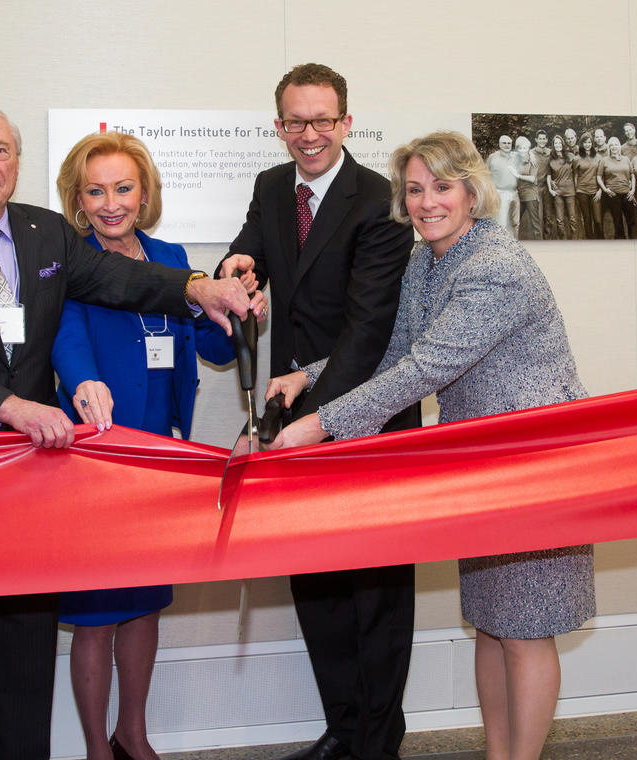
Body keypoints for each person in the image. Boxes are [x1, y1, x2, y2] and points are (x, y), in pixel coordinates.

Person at [0, 102, 257, 760]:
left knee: (25, 652)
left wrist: (199, 288)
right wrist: (12, 406)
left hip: (29, 475)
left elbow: (119, 277)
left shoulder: (46, 235)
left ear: (18, 164)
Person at [267, 130, 595, 760]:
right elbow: (394, 350)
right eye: (414, 190)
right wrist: (305, 376)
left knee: (526, 629)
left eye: (441, 187)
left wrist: (320, 424)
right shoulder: (429, 258)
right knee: (492, 625)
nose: (426, 202)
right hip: (480, 465)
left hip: (535, 466)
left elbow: (423, 370)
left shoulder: (493, 268)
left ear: (472, 191)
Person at [217, 62, 419, 760]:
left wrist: (318, 420)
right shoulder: (272, 186)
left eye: (322, 120)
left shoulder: (380, 200)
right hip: (292, 417)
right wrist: (237, 271)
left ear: (346, 122)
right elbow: (251, 252)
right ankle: (342, 730)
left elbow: (367, 333)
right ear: (279, 127)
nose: (309, 134)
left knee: (376, 593)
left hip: (366, 418)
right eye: (295, 122)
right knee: (318, 585)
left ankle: (378, 743)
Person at [51, 131, 236, 760]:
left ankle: (132, 733)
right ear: (78, 199)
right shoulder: (67, 261)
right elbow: (65, 341)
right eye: (96, 190)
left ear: (144, 192)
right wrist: (81, 382)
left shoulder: (171, 257)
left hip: (159, 458)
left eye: (123, 188)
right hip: (93, 459)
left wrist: (237, 309)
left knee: (144, 604)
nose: (111, 203)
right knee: (95, 611)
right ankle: (96, 750)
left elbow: (207, 349)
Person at [597, 136, 637, 239]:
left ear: (619, 146)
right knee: (617, 220)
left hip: (627, 194)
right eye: (611, 145)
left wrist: (633, 190)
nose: (614, 147)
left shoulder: (626, 159)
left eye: (616, 144)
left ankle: (633, 242)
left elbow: (632, 175)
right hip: (613, 194)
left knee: (631, 220)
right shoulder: (604, 160)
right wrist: (605, 189)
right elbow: (598, 176)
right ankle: (621, 242)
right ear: (609, 147)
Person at [487, 135, 521, 238]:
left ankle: (515, 246)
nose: (507, 145)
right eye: (504, 143)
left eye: (509, 143)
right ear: (499, 144)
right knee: (502, 223)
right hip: (500, 193)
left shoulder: (515, 156)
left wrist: (531, 156)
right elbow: (485, 174)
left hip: (514, 193)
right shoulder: (493, 157)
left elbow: (528, 153)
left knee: (516, 223)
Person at [546, 134, 578, 240]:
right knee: (560, 220)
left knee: (572, 218)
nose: (558, 145)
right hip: (557, 192)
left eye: (560, 143)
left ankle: (574, 240)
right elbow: (548, 176)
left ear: (563, 144)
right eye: (556, 143)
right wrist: (550, 189)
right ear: (553, 145)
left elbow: (577, 172)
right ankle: (563, 241)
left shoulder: (570, 156)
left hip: (570, 192)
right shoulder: (550, 159)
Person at [571, 136, 602, 239]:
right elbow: (575, 176)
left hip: (595, 191)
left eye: (589, 142)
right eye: (585, 142)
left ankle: (601, 241)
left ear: (592, 143)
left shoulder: (598, 157)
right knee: (587, 219)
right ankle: (590, 242)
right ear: (582, 144)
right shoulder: (576, 158)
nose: (587, 144)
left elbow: (602, 176)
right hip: (582, 191)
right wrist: (576, 191)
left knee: (597, 219)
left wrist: (600, 191)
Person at [514, 136, 542, 240]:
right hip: (518, 195)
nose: (522, 150)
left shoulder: (533, 161)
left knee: (535, 224)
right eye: (520, 148)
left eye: (525, 148)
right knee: (515, 222)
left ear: (528, 148)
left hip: (531, 195)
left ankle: (541, 246)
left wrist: (518, 176)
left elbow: (532, 179)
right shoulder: (515, 159)